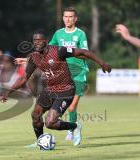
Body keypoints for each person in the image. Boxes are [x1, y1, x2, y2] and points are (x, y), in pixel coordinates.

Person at [0, 29, 111, 147]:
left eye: (39, 40)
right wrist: (8, 92)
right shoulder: (34, 57)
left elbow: (84, 52)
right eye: (34, 40)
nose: (36, 43)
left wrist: (102, 63)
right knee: (35, 115)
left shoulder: (59, 50)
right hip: (50, 90)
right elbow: (23, 78)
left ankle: (75, 126)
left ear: (46, 41)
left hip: (66, 90)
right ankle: (40, 141)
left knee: (50, 122)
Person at [49, 6, 89, 142]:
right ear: (63, 18)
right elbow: (49, 51)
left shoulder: (80, 34)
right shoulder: (58, 34)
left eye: (71, 16)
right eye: (66, 16)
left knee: (72, 107)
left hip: (78, 73)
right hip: (64, 75)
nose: (68, 19)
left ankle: (72, 130)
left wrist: (69, 50)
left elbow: (85, 54)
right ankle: (72, 128)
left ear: (75, 19)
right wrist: (28, 60)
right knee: (60, 105)